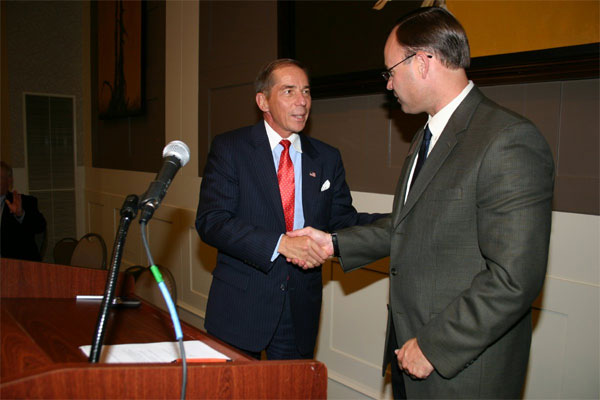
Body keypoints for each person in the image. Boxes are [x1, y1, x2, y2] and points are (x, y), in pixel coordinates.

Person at [288, 7, 555, 398]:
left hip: (460, 369)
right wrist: (334, 243)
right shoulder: (426, 136)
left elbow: (514, 278)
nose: (389, 84)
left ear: (424, 62)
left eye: (390, 71)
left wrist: (433, 345)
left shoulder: (508, 139)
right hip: (410, 354)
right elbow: (409, 225)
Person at [195, 59, 385, 360]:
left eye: (306, 91)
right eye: (289, 91)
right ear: (263, 101)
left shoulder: (326, 157)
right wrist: (281, 244)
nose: (302, 101)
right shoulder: (230, 148)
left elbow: (343, 220)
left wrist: (399, 219)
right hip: (240, 306)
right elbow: (212, 221)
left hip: (299, 310)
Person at [1, 161, 47, 262]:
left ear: (9, 181)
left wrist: (20, 214)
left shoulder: (26, 202)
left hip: (17, 265)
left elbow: (40, 226)